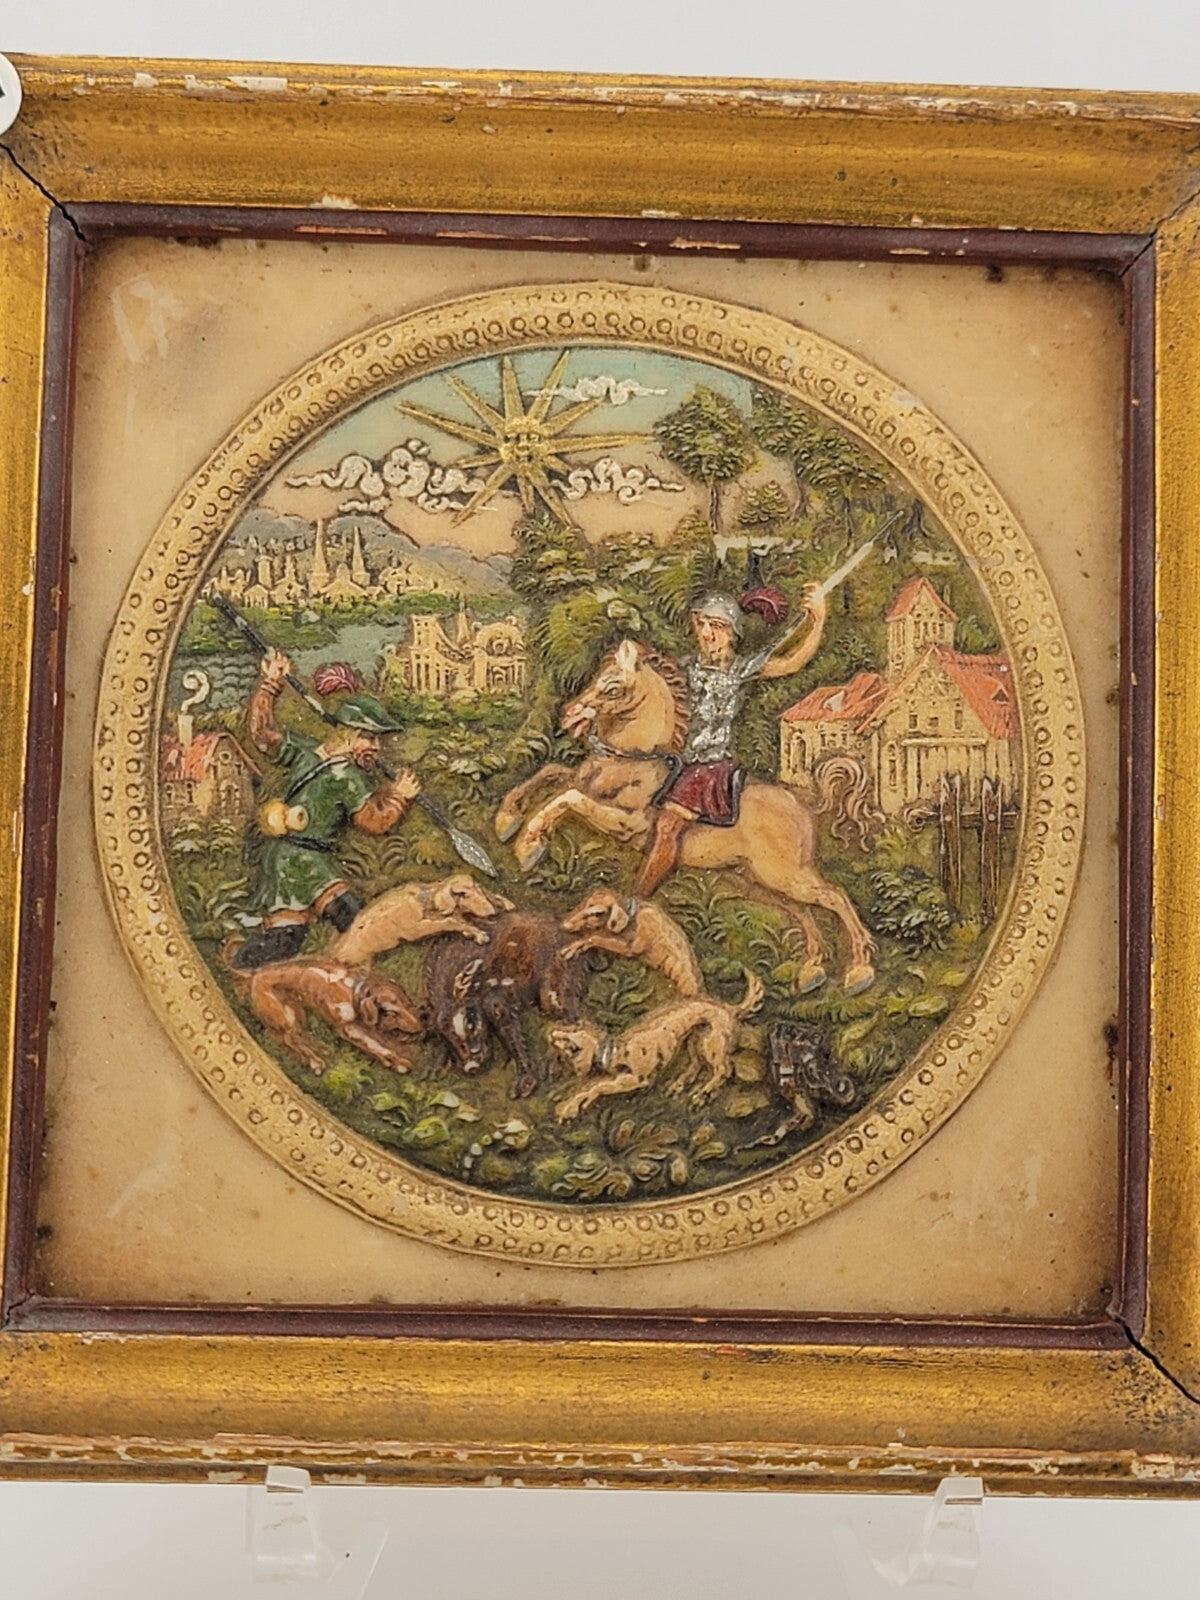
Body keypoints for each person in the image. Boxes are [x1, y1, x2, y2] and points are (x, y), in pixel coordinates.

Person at [230, 647, 421, 969]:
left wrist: (269, 684)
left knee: (294, 937)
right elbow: (374, 822)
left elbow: (263, 734)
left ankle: (247, 965)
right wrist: (399, 796)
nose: (376, 748)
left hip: (291, 861)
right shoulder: (348, 778)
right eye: (370, 739)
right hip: (303, 864)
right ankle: (242, 966)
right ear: (350, 734)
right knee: (354, 924)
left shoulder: (306, 752)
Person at [632, 584, 827, 898]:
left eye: (716, 626)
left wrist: (817, 620)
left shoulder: (740, 670)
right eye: (702, 624)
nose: (706, 634)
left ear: (732, 633)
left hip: (710, 769)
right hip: (679, 761)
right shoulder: (685, 667)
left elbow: (792, 662)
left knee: (667, 826)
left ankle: (636, 900)